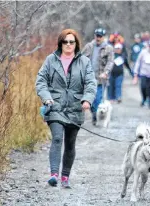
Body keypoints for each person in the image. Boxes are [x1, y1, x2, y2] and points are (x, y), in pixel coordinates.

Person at [35, 29, 97, 188]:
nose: (68, 45)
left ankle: (65, 177)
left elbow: (90, 83)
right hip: (54, 105)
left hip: (75, 108)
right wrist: (47, 97)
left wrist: (87, 100)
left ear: (76, 44)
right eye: (65, 41)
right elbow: (41, 81)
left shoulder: (84, 61)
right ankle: (54, 175)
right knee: (56, 138)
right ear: (60, 43)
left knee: (70, 143)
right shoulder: (51, 60)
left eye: (72, 42)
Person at [81, 27, 114, 125]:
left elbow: (110, 61)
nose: (98, 38)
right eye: (97, 36)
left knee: (98, 99)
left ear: (103, 37)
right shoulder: (89, 46)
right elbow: (81, 58)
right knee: (89, 99)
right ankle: (94, 114)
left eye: (100, 36)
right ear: (94, 36)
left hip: (100, 79)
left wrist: (106, 72)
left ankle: (96, 115)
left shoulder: (108, 48)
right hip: (88, 78)